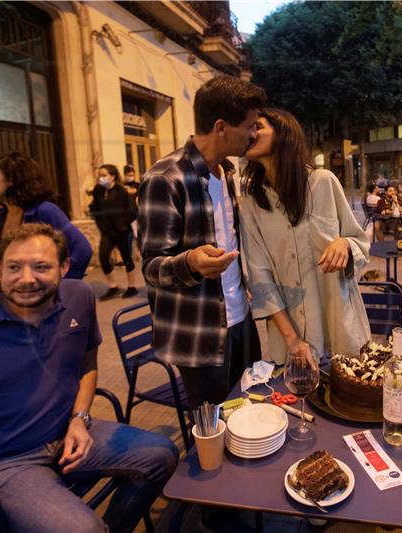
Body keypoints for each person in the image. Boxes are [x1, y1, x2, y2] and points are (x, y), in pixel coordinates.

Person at [0, 223, 178, 533]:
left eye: (41, 267)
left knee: (163, 455)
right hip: (1, 463)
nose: (26, 279)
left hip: (66, 433)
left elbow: (88, 364)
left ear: (64, 267)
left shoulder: (78, 296)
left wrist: (79, 418)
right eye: (14, 267)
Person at [138, 75, 267, 407]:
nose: (255, 134)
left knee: (248, 412)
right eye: (251, 126)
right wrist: (191, 263)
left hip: (241, 320)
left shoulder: (227, 173)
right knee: (214, 429)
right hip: (201, 333)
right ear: (222, 127)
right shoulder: (166, 179)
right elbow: (152, 267)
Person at [240, 108, 371, 363]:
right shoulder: (250, 203)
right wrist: (292, 340)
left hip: (339, 323)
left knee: (351, 394)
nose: (251, 132)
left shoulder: (323, 182)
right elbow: (259, 276)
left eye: (258, 126)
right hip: (291, 336)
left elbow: (361, 243)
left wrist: (345, 243)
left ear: (283, 134)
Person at [0, 153, 92, 279]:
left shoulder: (45, 211)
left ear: (11, 179)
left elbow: (83, 249)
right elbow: (9, 252)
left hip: (41, 299)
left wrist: (63, 285)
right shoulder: (3, 215)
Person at [90, 164, 138, 299]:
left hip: (122, 231)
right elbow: (95, 208)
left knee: (127, 259)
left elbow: (133, 210)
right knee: (103, 257)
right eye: (100, 175)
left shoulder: (121, 191)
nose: (101, 178)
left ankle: (132, 287)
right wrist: (100, 223)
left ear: (113, 176)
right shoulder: (98, 191)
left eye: (104, 175)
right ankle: (113, 287)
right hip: (107, 232)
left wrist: (122, 223)